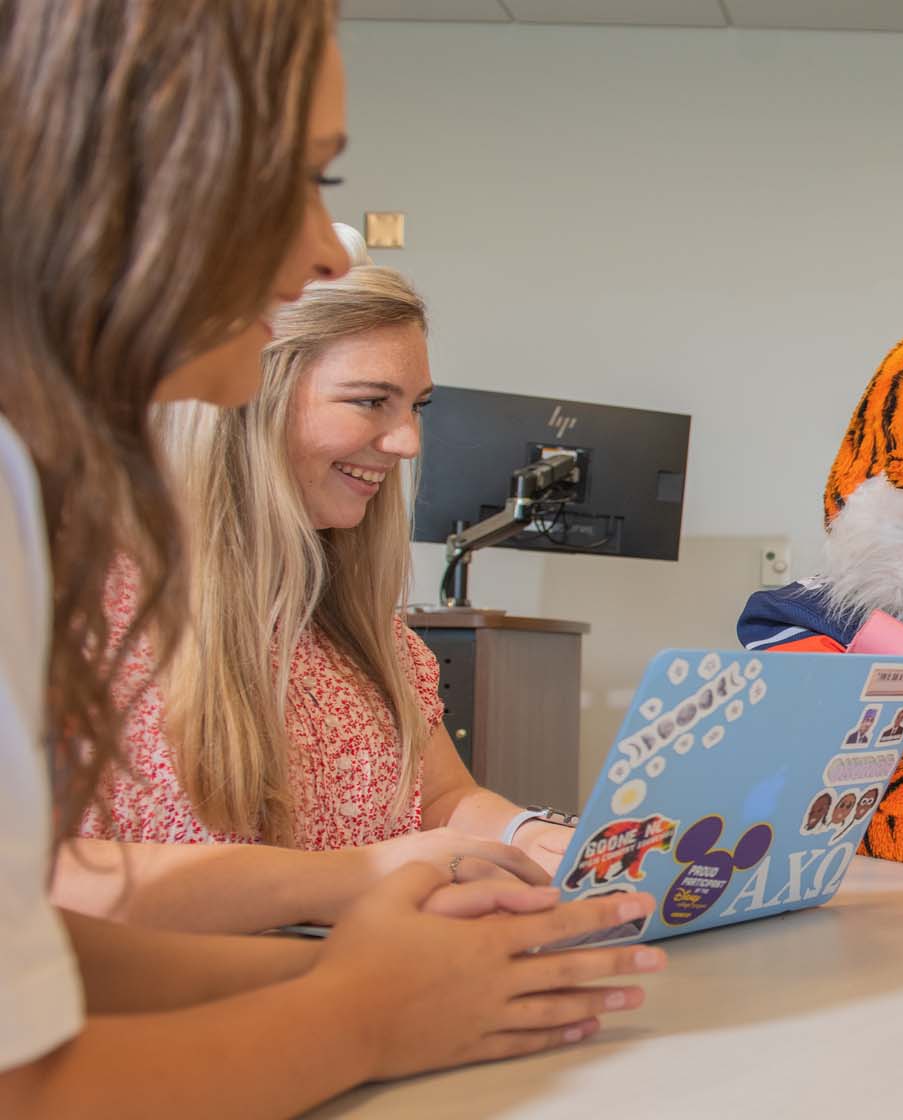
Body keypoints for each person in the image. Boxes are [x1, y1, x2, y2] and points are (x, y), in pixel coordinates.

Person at [0, 4, 661, 1114]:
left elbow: (37, 954)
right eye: (297, 180)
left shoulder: (359, 631)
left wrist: (386, 967)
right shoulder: (72, 568)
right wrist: (362, 1002)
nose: (321, 247)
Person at [54, 230, 576, 935]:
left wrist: (524, 833)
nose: (406, 443)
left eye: (416, 406)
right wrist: (352, 881)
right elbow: (36, 881)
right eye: (370, 402)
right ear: (247, 399)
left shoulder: (355, 624)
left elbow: (445, 797)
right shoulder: (76, 612)